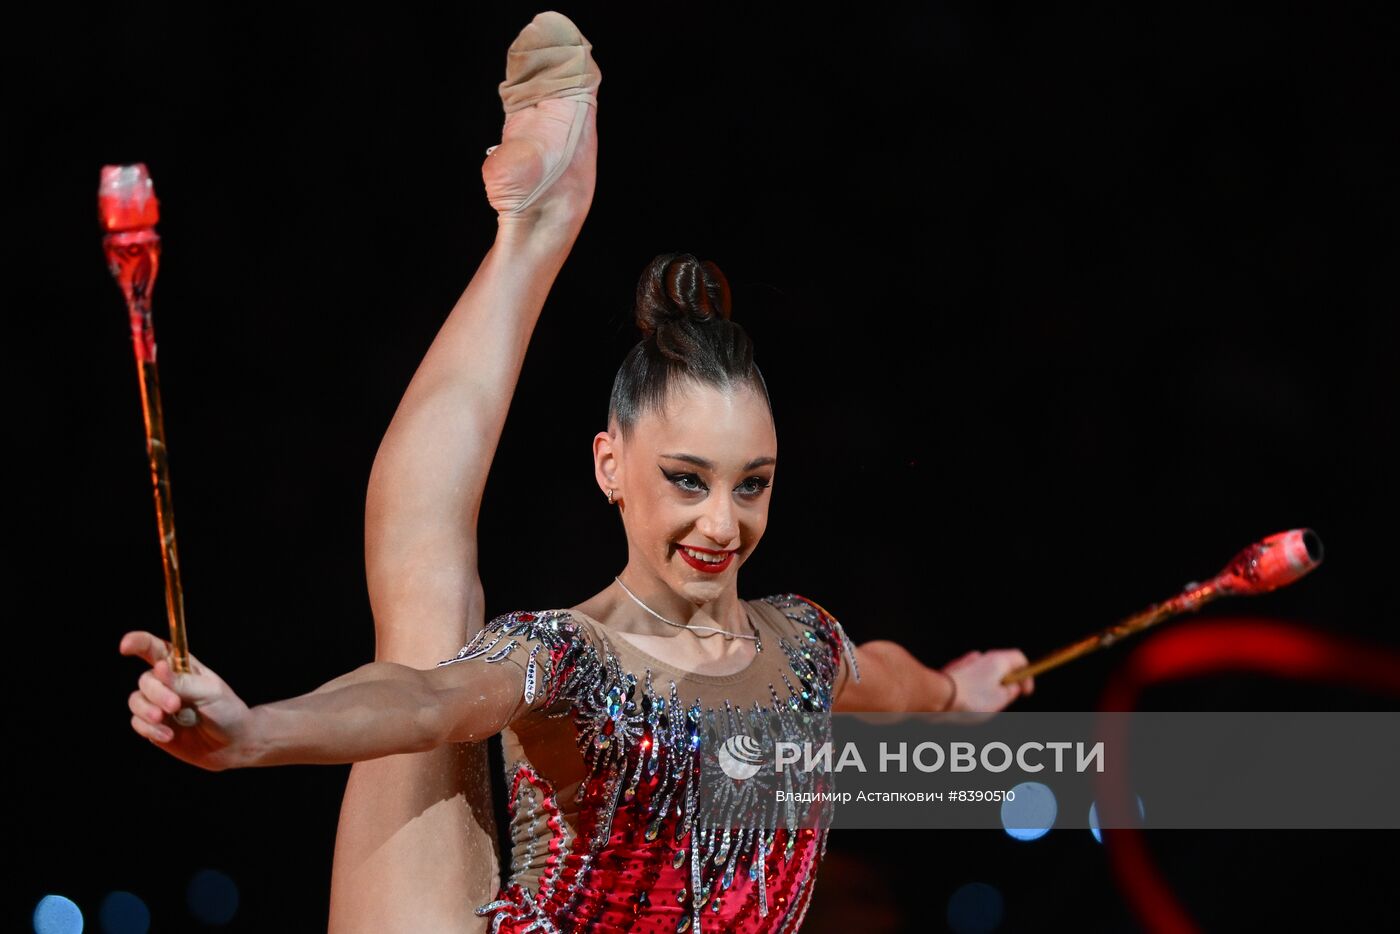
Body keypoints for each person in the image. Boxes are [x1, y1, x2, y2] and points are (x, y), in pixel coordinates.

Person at [119, 11, 1035, 933]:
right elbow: (425, 704)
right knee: (428, 620)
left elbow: (888, 678)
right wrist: (254, 733)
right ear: (611, 465)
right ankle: (535, 230)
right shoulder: (569, 657)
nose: (722, 522)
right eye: (686, 479)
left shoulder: (802, 648)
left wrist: (963, 691)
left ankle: (540, 222)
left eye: (749, 483)